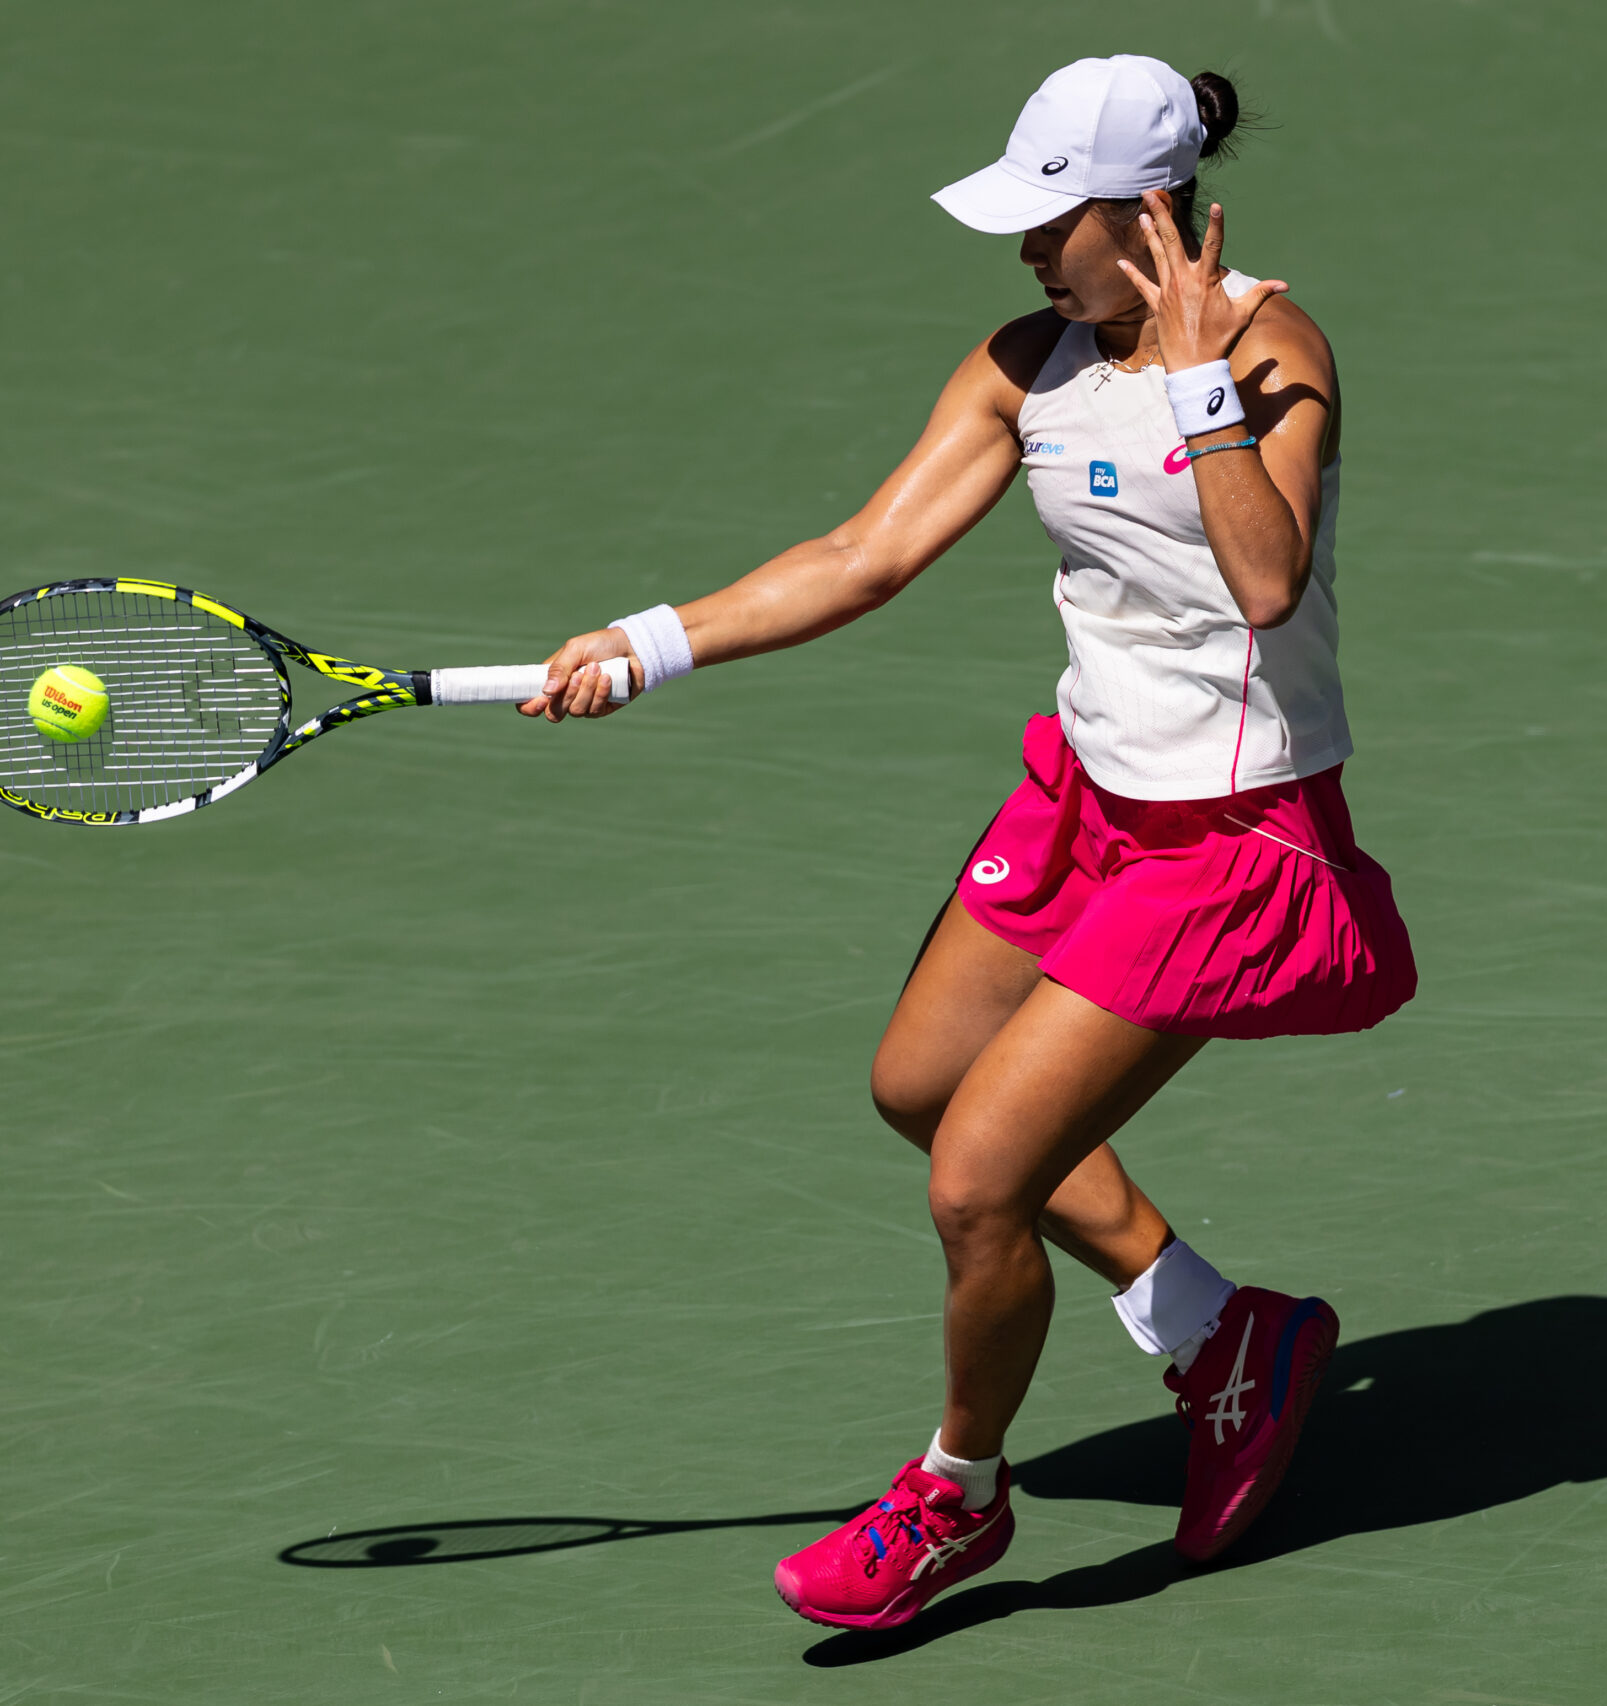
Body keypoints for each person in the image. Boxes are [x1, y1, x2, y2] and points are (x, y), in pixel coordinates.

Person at [521, 54, 1415, 1630]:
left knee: (979, 1181)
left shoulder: (1279, 349)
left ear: (1148, 214)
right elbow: (866, 553)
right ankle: (1228, 1339)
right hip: (1088, 796)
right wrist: (650, 641)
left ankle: (956, 1495)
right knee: (920, 1085)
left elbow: (1265, 581)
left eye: (1048, 221)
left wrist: (1203, 387)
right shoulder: (1028, 359)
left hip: (1229, 839)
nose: (1021, 251)